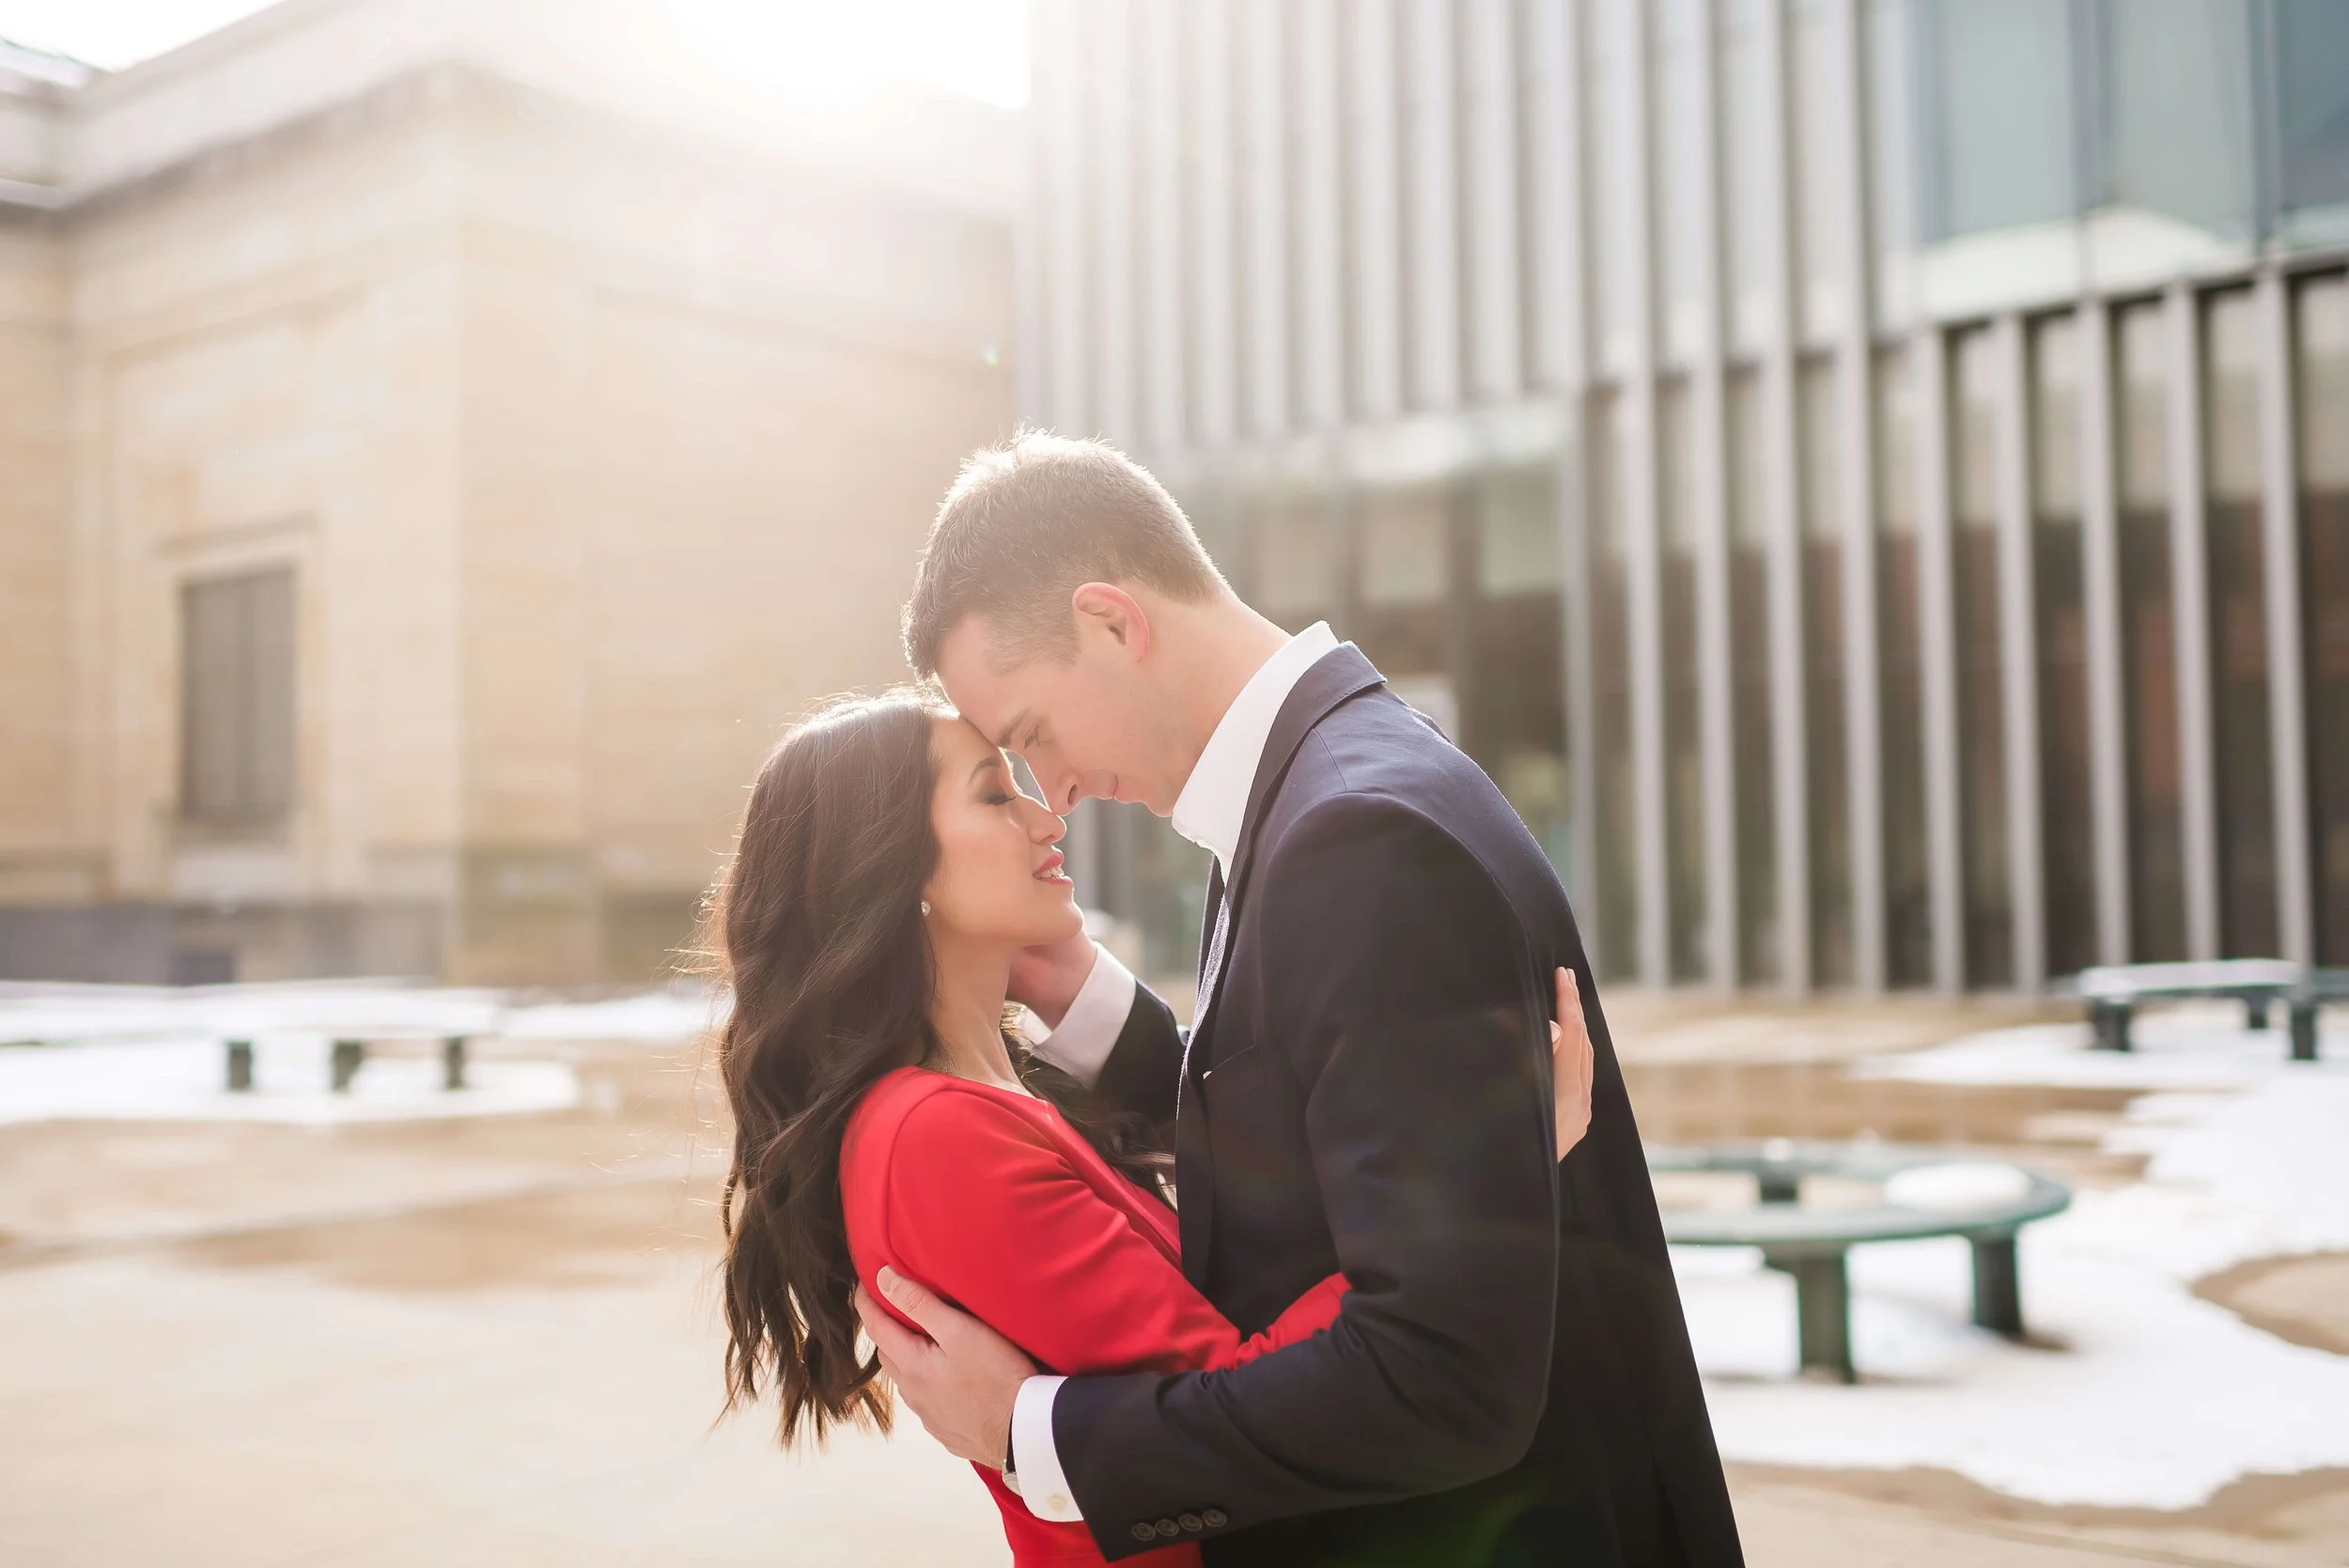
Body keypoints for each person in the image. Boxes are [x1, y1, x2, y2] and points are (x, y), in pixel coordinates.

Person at [858, 433, 1745, 1566]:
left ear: (1113, 621)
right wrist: (1083, 1002)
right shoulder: (1338, 781)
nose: (1059, 792)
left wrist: (1040, 1433)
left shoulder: (1353, 837)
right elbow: (1310, 1112)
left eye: (1034, 735)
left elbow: (1440, 1378)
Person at [705, 687, 1598, 1567]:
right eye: (993, 793)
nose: (1046, 817)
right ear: (892, 869)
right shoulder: (936, 1137)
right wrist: (1482, 1175)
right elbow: (1247, 1397)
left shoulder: (987, 1101)